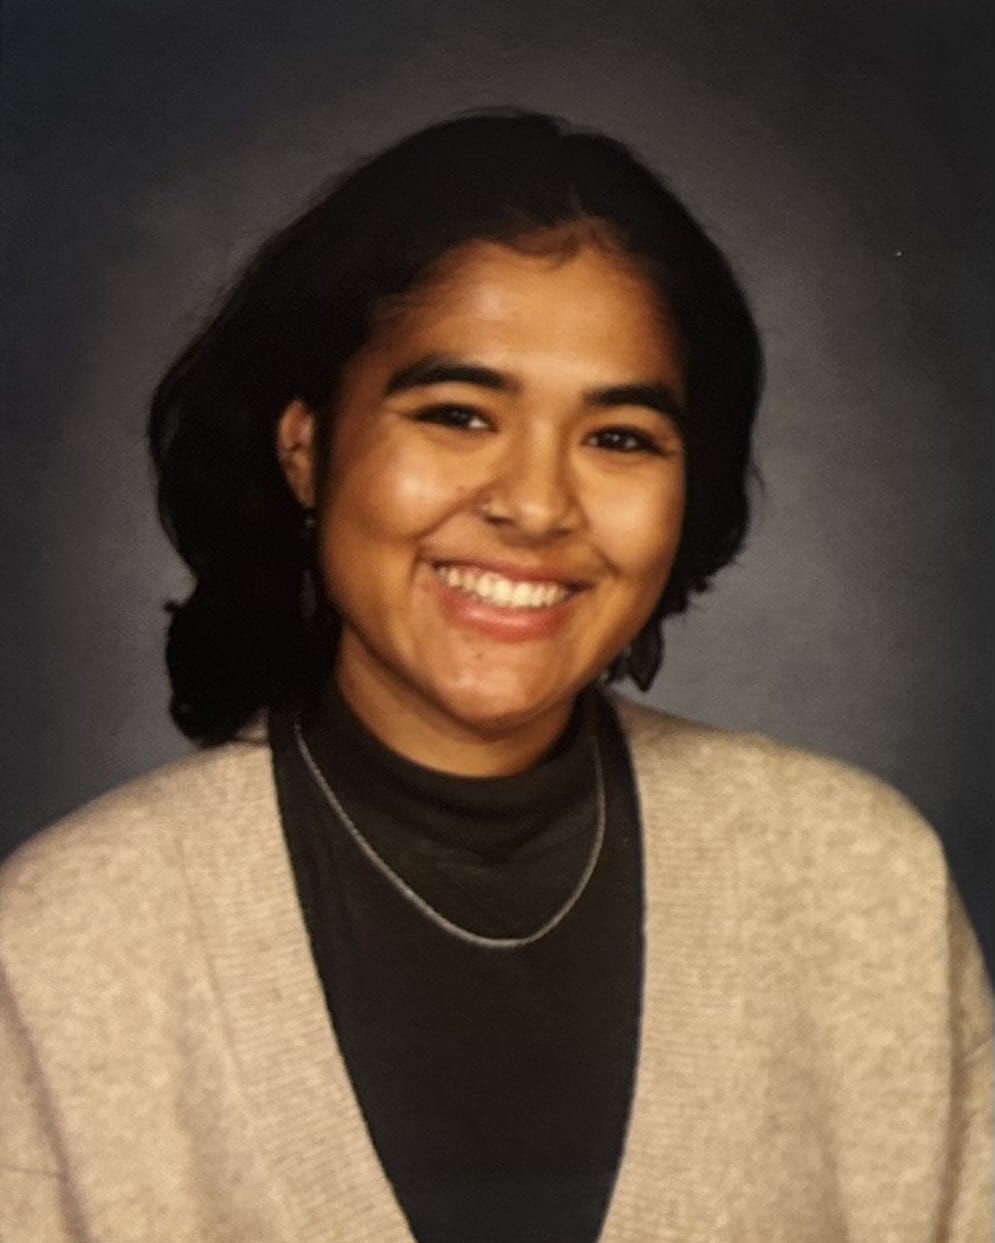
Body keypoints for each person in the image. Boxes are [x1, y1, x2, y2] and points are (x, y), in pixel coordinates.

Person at [0, 110, 990, 1243]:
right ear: (306, 448)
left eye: (618, 436)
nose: (534, 504)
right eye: (458, 415)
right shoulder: (66, 944)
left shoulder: (858, 884)